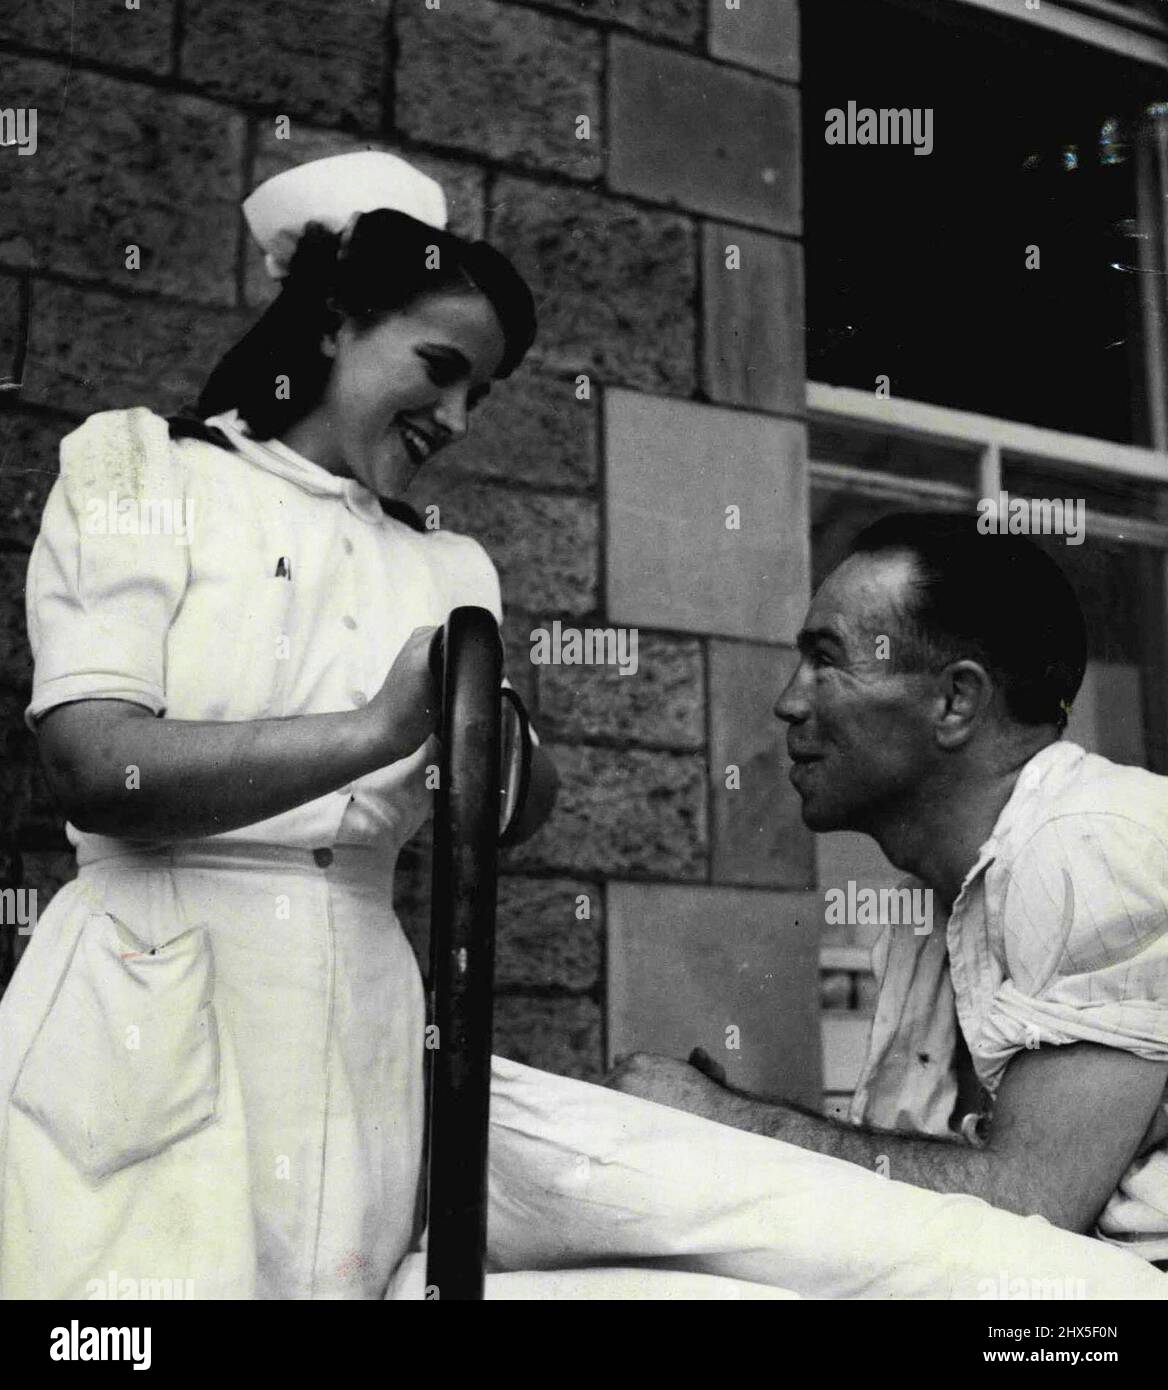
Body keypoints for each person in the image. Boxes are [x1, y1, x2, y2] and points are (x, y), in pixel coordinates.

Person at [0, 151, 556, 1299]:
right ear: (338, 324)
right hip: (151, 987)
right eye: (440, 369)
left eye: (479, 396)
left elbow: (489, 808)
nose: (455, 419)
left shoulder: (451, 565)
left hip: (358, 1003)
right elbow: (96, 768)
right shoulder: (145, 470)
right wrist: (371, 728)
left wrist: (507, 760)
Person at [609, 512, 1168, 1265]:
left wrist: (727, 1122)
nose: (789, 702)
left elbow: (1032, 1207)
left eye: (825, 660)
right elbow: (917, 1196)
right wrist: (720, 1130)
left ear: (955, 702)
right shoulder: (935, 916)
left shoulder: (1090, 843)